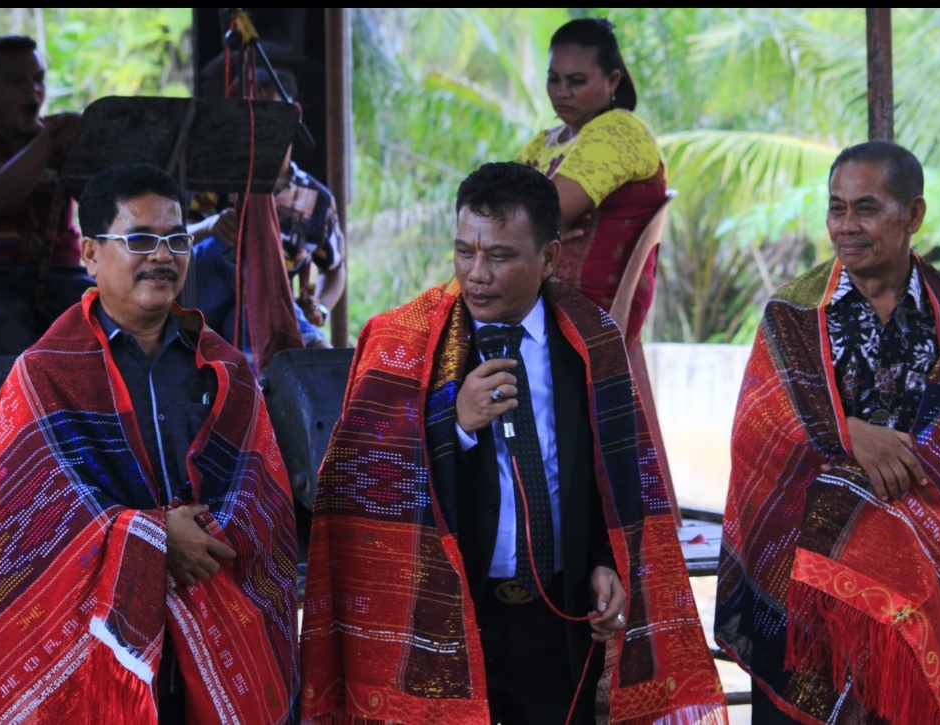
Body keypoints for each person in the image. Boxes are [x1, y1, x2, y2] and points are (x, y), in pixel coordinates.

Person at [299, 162, 724, 725]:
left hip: (558, 615)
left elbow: (614, 476)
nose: (477, 274)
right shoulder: (401, 340)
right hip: (446, 613)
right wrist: (454, 424)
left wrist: (602, 563)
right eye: (465, 252)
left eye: (500, 256)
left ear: (548, 259)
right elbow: (356, 481)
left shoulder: (592, 339)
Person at [715, 141, 940, 724]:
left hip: (926, 592)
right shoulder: (791, 314)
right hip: (809, 603)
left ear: (913, 215)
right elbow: (758, 437)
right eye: (836, 208)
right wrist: (848, 434)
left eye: (866, 209)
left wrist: (868, 480)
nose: (846, 226)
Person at [0, 163, 299, 723]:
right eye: (141, 239)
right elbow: (37, 518)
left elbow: (263, 500)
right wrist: (155, 538)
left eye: (177, 239)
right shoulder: (42, 375)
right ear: (91, 254)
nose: (163, 256)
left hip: (213, 642)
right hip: (89, 654)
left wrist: (199, 540)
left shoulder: (225, 368)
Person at [516, 17, 666, 345]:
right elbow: (490, 212)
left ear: (612, 80)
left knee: (428, 333)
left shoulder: (619, 130)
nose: (562, 92)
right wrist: (536, 231)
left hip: (580, 310)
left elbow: (525, 216)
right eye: (554, 79)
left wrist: (533, 228)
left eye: (577, 81)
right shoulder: (544, 141)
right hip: (528, 298)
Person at [188, 68, 345, 350]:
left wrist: (319, 307)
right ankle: (311, 344)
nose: (256, 122)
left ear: (293, 113)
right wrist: (210, 226)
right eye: (247, 113)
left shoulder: (316, 199)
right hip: (199, 298)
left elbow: (334, 269)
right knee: (242, 253)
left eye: (266, 112)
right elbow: (170, 239)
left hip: (251, 315)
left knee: (246, 319)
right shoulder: (213, 177)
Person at [0, 35, 93, 356]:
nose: (32, 90)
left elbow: (99, 207)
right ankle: (12, 407)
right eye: (16, 81)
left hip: (63, 274)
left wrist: (83, 148)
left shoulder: (60, 136)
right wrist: (48, 140)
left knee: (105, 315)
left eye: (38, 79)